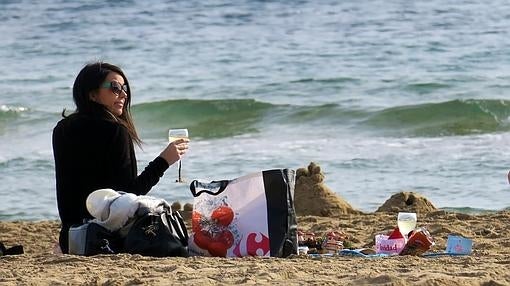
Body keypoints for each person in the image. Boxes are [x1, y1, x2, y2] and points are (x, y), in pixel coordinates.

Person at [52, 62, 189, 253]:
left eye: (124, 88)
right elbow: (130, 194)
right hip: (107, 240)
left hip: (72, 237)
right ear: (92, 94)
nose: (124, 94)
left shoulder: (61, 129)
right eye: (115, 88)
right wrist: (164, 160)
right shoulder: (115, 131)